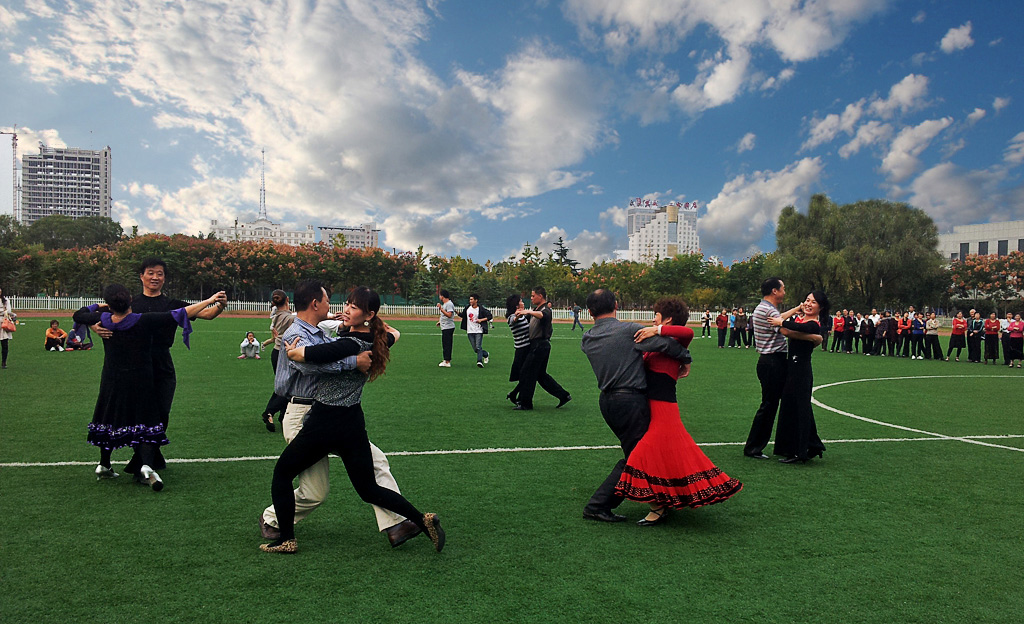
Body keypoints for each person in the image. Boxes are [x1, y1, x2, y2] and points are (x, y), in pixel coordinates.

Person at [263, 286, 445, 554]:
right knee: (368, 488)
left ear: (368, 314)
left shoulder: (350, 343)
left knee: (282, 474)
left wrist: (292, 353)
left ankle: (286, 538)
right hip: (351, 422)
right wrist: (358, 321)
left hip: (325, 421)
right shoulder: (376, 338)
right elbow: (394, 333)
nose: (346, 309)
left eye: (354, 307)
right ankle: (423, 519)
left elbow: (314, 356)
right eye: (346, 303)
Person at [73, 284, 226, 489]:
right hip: (140, 380)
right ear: (130, 302)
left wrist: (99, 308)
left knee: (108, 417)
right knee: (147, 421)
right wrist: (209, 300)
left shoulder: (103, 320)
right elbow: (180, 314)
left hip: (112, 380)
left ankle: (104, 464)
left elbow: (80, 314)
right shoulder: (143, 320)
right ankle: (146, 465)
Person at [618, 297, 742, 525]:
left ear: (667, 318)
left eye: (656, 314)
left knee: (643, 454)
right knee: (667, 455)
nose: (652, 318)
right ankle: (663, 503)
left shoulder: (676, 340)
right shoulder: (661, 343)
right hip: (651, 406)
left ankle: (658, 507)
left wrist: (657, 330)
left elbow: (688, 333)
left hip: (664, 408)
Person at [579, 288, 689, 522]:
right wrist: (685, 359)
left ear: (589, 312)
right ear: (616, 305)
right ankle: (599, 505)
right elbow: (665, 345)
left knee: (637, 452)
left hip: (607, 402)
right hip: (630, 400)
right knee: (636, 457)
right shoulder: (628, 330)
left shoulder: (587, 338)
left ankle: (659, 501)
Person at [109, 257, 227, 476]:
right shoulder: (130, 303)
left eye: (160, 273)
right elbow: (105, 318)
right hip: (135, 364)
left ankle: (144, 460)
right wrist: (97, 328)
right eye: (151, 272)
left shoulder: (172, 304)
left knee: (162, 412)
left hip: (162, 363)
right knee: (139, 413)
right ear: (141, 276)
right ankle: (146, 461)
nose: (155, 277)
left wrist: (219, 305)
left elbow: (208, 314)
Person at [743, 278, 823, 460]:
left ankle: (804, 443)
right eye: (783, 289)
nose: (785, 292)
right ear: (774, 291)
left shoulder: (764, 308)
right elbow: (785, 328)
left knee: (782, 403)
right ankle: (754, 447)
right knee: (770, 405)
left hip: (772, 360)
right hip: (773, 361)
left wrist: (795, 310)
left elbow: (781, 320)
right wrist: (815, 338)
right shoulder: (768, 311)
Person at [769, 291, 829, 463]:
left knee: (800, 409)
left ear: (821, 307)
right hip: (792, 369)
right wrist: (795, 310)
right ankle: (810, 445)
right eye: (807, 300)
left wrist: (813, 336)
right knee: (791, 407)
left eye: (814, 302)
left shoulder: (813, 324)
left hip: (802, 371)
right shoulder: (799, 320)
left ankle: (800, 451)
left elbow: (789, 330)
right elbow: (783, 326)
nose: (809, 304)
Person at [510, 287, 571, 411]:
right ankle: (563, 395)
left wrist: (528, 312)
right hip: (538, 346)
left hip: (540, 345)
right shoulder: (536, 309)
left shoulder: (545, 309)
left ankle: (526, 403)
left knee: (527, 373)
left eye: (533, 296)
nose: (531, 298)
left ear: (540, 296)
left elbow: (542, 316)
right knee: (540, 375)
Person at [260, 290, 295, 432]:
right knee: (288, 387)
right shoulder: (289, 317)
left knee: (284, 385)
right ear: (287, 299)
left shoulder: (277, 315)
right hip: (284, 354)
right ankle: (270, 411)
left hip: (276, 352)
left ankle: (282, 416)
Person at [505, 294, 531, 405]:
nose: (523, 302)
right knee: (526, 375)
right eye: (521, 301)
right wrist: (518, 316)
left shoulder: (523, 315)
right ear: (516, 305)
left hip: (527, 349)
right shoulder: (512, 317)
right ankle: (515, 395)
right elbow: (514, 320)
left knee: (528, 375)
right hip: (522, 350)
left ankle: (514, 394)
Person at [458, 294, 493, 367]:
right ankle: (486, 354)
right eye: (470, 299)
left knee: (478, 347)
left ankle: (479, 361)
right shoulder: (468, 308)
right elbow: (462, 315)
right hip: (470, 331)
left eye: (471, 299)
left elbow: (489, 316)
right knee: (475, 349)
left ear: (476, 300)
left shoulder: (480, 309)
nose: (470, 301)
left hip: (478, 330)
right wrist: (456, 312)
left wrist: (481, 320)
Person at [436, 289, 455, 367]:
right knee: (445, 344)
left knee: (447, 344)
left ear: (442, 296)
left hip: (448, 327)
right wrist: (440, 321)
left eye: (440, 295)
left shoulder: (449, 304)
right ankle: (445, 359)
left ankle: (447, 361)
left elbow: (449, 315)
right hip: (445, 327)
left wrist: (441, 309)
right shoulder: (445, 304)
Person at [1, 287, 14, 369]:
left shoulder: (5, 300)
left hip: (4, 322)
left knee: (4, 344)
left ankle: (4, 362)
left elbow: (8, 311)